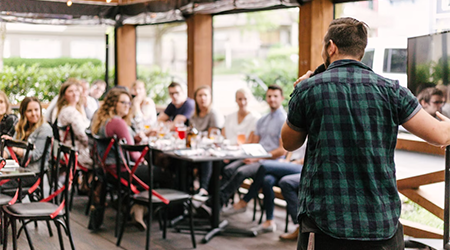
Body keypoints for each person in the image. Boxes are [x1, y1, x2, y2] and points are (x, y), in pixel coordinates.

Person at [282, 17, 450, 250]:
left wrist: (297, 93)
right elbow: (442, 136)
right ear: (361, 49)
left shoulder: (309, 89)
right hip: (380, 225)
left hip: (324, 223)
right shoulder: (392, 91)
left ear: (331, 46)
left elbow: (289, 142)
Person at [220, 85, 287, 212]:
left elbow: (281, 150)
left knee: (241, 172)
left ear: (282, 98)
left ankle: (217, 202)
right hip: (256, 157)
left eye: (275, 96)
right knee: (228, 169)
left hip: (271, 161)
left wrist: (257, 158)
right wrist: (250, 156)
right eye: (269, 96)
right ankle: (220, 203)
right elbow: (254, 143)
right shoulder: (262, 119)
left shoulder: (284, 120)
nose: (272, 99)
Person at [91, 88, 148, 230]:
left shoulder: (102, 121)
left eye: (129, 103)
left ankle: (132, 204)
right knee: (165, 174)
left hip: (107, 172)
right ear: (113, 104)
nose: (127, 106)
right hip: (123, 170)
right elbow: (133, 155)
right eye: (123, 102)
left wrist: (134, 139)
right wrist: (144, 161)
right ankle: (140, 206)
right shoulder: (118, 122)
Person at [223, 143, 306, 235]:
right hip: (286, 164)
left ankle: (245, 200)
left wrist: (290, 163)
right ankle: (269, 221)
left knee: (264, 166)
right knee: (267, 181)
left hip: (298, 166)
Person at [1, 97, 53, 188]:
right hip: (19, 170)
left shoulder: (44, 129)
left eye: (36, 110)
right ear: (24, 113)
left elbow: (35, 155)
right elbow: (9, 150)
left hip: (33, 173)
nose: (34, 114)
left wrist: (15, 148)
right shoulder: (21, 126)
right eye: (29, 111)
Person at [56, 79, 93, 190]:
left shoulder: (72, 109)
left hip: (71, 149)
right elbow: (83, 135)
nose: (75, 93)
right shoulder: (70, 112)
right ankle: (93, 192)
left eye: (76, 90)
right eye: (70, 91)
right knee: (103, 161)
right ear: (64, 96)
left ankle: (86, 186)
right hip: (75, 152)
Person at [189, 85, 224, 196]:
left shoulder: (214, 114)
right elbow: (191, 133)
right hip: (196, 150)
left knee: (206, 158)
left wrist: (198, 136)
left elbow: (212, 136)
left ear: (210, 98)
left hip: (212, 151)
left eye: (205, 95)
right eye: (200, 95)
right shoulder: (194, 115)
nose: (202, 98)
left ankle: (203, 190)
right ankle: (186, 191)